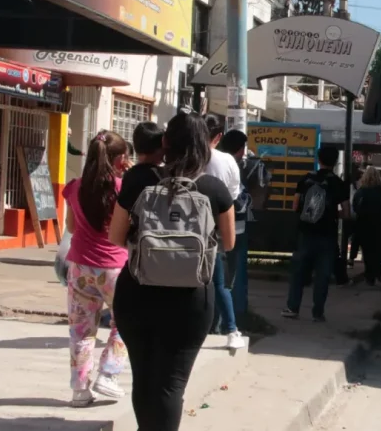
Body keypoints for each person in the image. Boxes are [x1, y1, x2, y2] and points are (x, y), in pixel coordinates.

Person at [108, 111, 236, 431]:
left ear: (165, 143)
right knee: (171, 384)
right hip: (191, 299)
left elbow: (115, 236)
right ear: (206, 146)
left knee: (145, 379)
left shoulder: (139, 179)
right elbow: (230, 243)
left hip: (137, 291)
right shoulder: (214, 188)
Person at [63, 130, 130, 407]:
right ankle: (109, 375)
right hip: (114, 267)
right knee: (124, 322)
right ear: (120, 159)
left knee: (81, 330)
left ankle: (80, 389)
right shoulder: (122, 188)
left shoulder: (75, 187)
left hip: (79, 267)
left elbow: (70, 227)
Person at [282, 146, 350, 322]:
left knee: (298, 272)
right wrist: (333, 213)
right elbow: (347, 212)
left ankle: (292, 308)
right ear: (335, 162)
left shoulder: (306, 179)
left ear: (319, 159)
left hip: (305, 233)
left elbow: (295, 206)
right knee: (323, 275)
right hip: (327, 235)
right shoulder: (338, 183)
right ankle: (317, 313)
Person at [201, 114, 246, 349]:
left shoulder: (187, 157)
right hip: (215, 227)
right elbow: (234, 194)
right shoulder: (227, 160)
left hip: (183, 227)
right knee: (219, 282)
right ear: (218, 136)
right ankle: (230, 329)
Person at [217, 129, 253, 315]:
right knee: (234, 276)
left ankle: (218, 319)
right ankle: (235, 316)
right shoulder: (236, 167)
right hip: (236, 228)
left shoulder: (214, 163)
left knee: (218, 275)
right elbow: (239, 201)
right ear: (239, 149)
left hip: (214, 228)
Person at [353, 167, 381, 286]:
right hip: (380, 225)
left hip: (364, 225)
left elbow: (355, 208)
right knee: (379, 250)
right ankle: (379, 272)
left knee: (367, 252)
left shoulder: (361, 192)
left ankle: (370, 276)